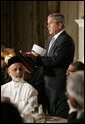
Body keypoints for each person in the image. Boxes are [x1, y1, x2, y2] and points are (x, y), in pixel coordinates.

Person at [25, 13, 75, 118]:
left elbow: (56, 60)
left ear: (60, 25)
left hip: (57, 83)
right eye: (47, 24)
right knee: (49, 113)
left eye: (50, 23)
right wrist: (35, 57)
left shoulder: (65, 40)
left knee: (58, 115)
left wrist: (37, 58)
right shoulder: (51, 40)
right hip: (48, 82)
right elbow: (49, 58)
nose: (47, 26)